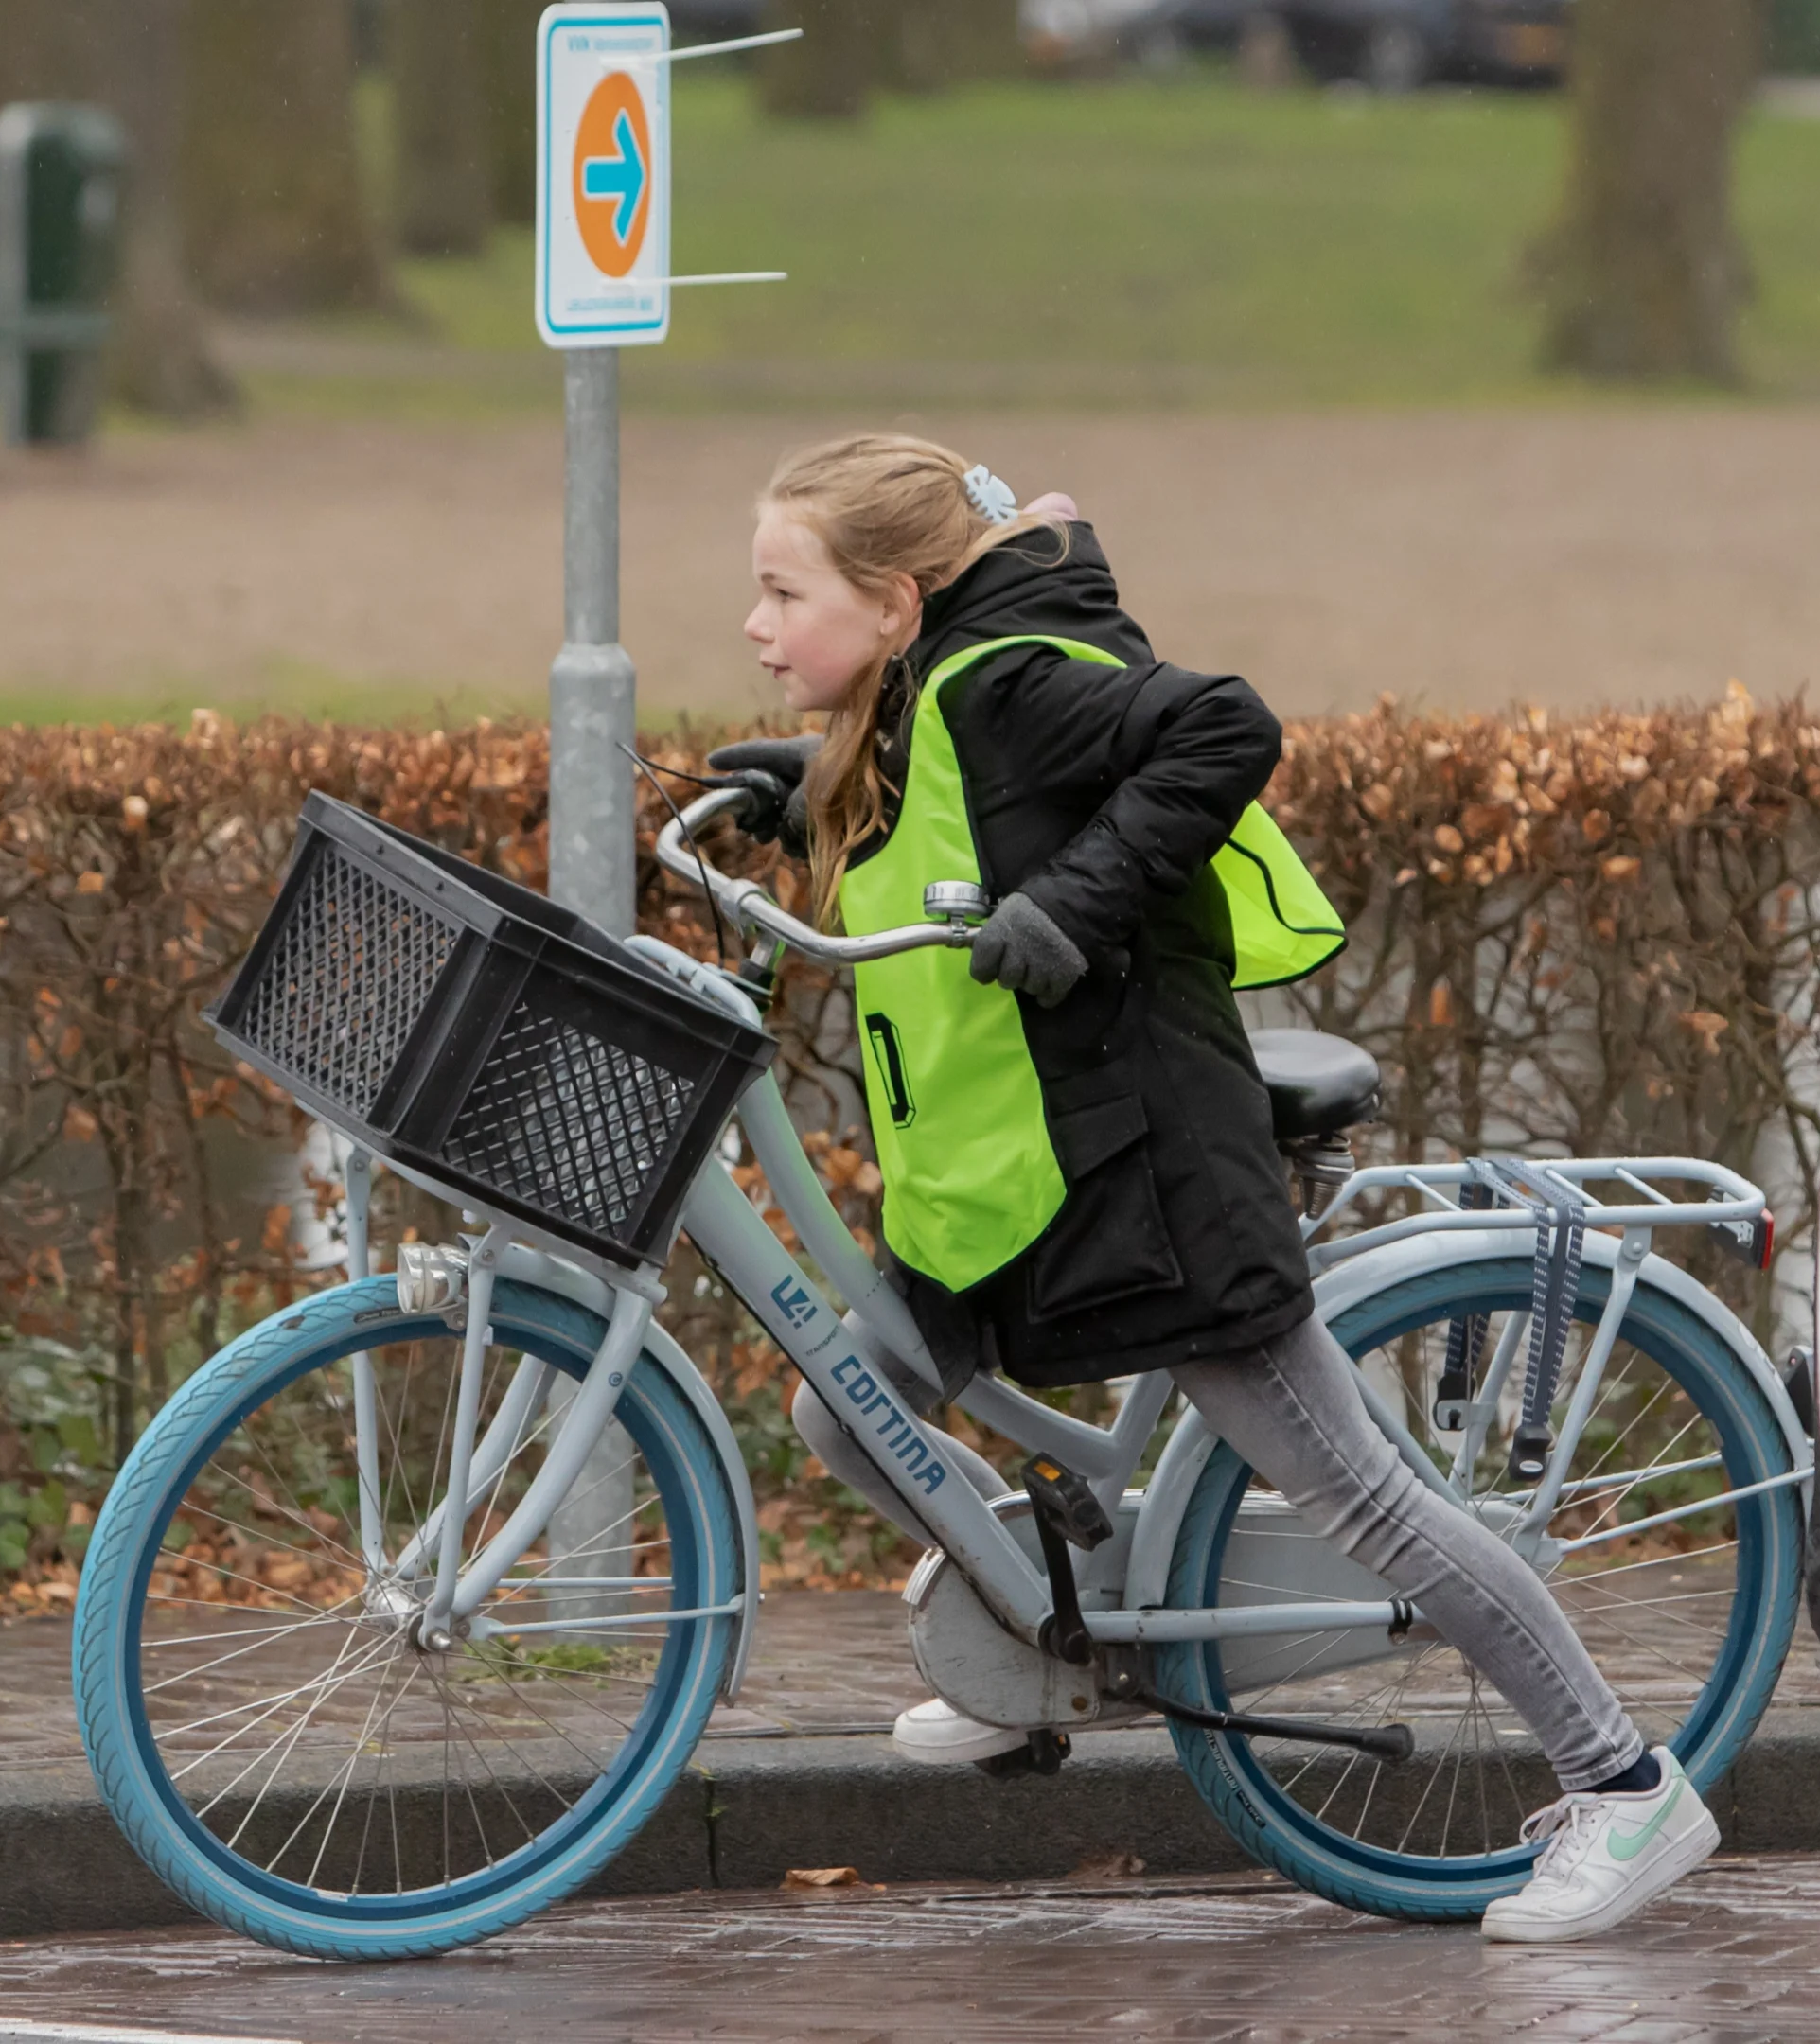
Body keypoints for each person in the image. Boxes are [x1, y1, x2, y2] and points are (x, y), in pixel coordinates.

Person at [716, 432, 1715, 1945]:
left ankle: (1628, 1784)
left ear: (902, 604)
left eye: (784, 592)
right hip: (1032, 1177)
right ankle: (1032, 1621)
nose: (756, 624)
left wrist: (1075, 902)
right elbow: (993, 810)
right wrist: (809, 791)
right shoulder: (938, 699)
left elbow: (1221, 733)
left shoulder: (1015, 683)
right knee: (837, 1405)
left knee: (1368, 1500)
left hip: (1152, 1174)